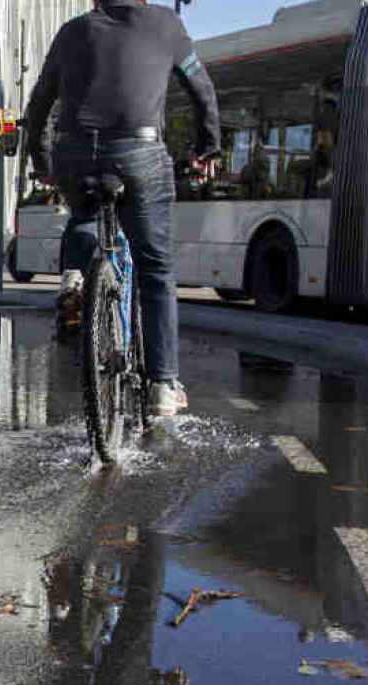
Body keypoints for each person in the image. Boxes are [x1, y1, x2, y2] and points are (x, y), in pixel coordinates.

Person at [24, 0, 221, 417]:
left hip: (73, 152)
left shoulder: (72, 31)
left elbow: (39, 103)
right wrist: (208, 146)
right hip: (139, 151)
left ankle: (75, 275)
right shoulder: (167, 24)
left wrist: (41, 161)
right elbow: (201, 89)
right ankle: (163, 383)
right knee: (155, 269)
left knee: (84, 217)